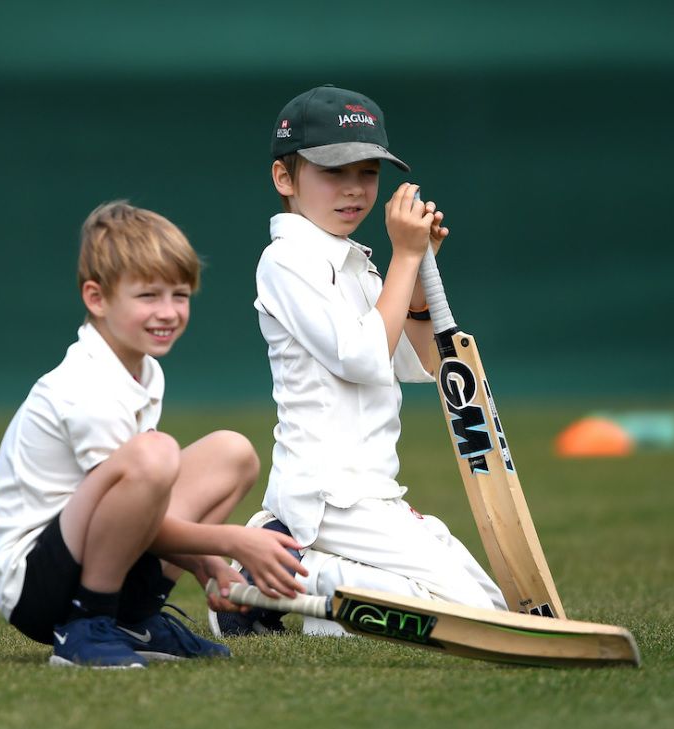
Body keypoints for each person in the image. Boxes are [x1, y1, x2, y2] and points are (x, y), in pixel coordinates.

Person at [211, 85, 505, 637]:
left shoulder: (358, 265)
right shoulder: (286, 258)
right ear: (284, 179)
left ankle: (281, 572)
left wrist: (416, 275)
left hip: (371, 492)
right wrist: (405, 255)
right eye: (332, 172)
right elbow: (363, 358)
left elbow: (421, 363)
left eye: (368, 172)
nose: (354, 190)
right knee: (475, 618)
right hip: (328, 495)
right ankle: (261, 579)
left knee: (483, 600)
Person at [0, 200, 306, 668]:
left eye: (180, 294)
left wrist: (204, 565)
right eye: (148, 296)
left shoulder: (144, 370)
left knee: (232, 453)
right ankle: (85, 626)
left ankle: (134, 620)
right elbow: (134, 505)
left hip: (93, 552)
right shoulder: (87, 386)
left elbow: (138, 511)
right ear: (97, 299)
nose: (169, 311)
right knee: (155, 455)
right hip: (37, 587)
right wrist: (232, 543)